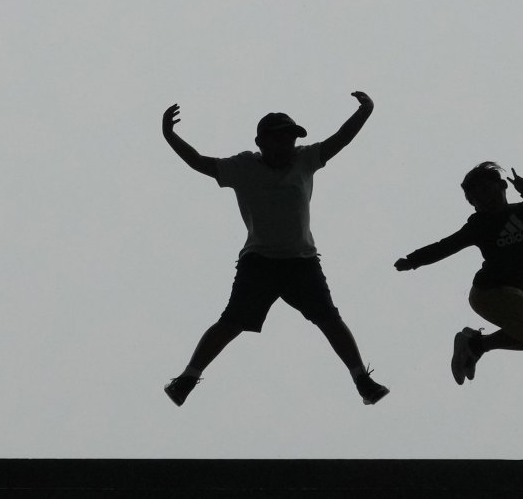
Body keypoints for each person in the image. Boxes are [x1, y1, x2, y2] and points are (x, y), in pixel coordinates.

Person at [158, 91, 389, 406]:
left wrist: (366, 110)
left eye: (290, 139)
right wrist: (170, 136)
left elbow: (341, 139)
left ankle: (362, 379)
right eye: (280, 139)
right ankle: (187, 378)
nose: (287, 145)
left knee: (329, 319)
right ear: (262, 142)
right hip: (260, 262)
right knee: (231, 322)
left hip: (301, 262)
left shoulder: (305, 160)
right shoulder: (243, 167)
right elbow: (199, 162)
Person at [394, 162, 523, 385]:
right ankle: (473, 345)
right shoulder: (480, 224)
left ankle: (475, 345)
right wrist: (413, 260)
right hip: (489, 292)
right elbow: (447, 245)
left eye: (486, 192)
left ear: (501, 186)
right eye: (474, 200)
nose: (482, 202)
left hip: (512, 291)